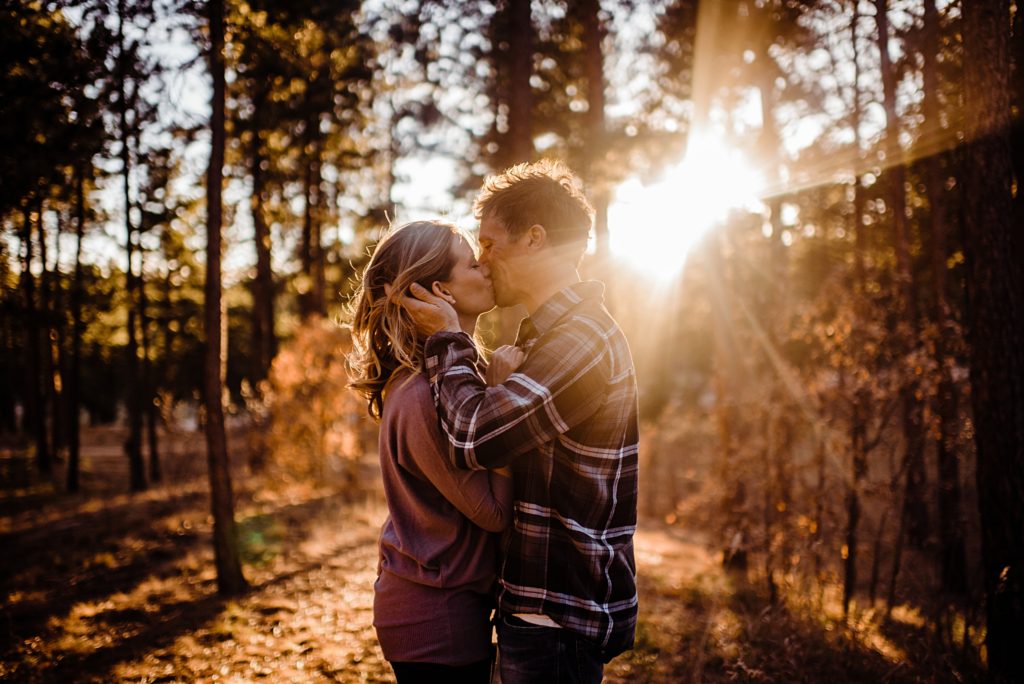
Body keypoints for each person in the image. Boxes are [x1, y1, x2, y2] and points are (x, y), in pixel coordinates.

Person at [399, 160, 639, 684]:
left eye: (489, 243)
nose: (483, 261)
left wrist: (447, 337)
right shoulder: (546, 336)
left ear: (535, 238)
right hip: (538, 612)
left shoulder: (581, 339)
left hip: (557, 615)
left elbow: (474, 437)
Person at [346, 220, 524, 683]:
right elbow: (492, 513)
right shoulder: (420, 394)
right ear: (441, 291)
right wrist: (501, 406)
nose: (487, 268)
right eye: (472, 264)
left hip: (448, 603)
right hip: (435, 616)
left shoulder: (448, 380)